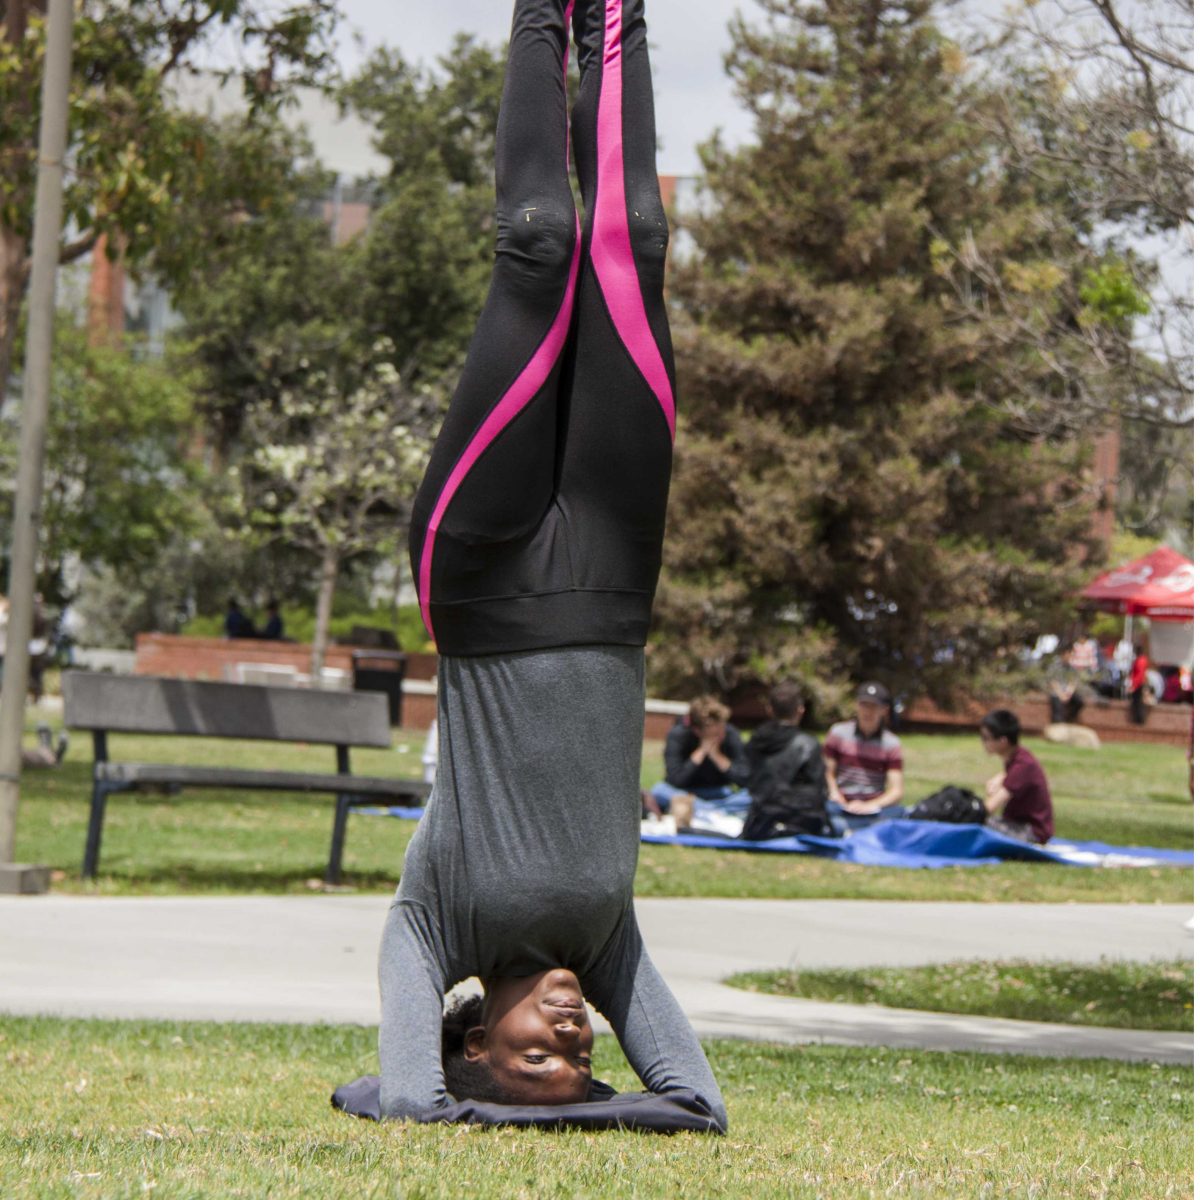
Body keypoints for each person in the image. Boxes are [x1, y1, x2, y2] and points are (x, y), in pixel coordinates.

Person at [343, 0, 726, 1136]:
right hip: (614, 584)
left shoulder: (431, 929)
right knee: (634, 244)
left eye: (535, 1058)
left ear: (473, 1041)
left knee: (539, 244)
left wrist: (461, 1107)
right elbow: (695, 1106)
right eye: (582, 1057)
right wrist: (566, 1111)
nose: (571, 1039)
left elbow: (409, 1100)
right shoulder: (606, 945)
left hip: (483, 580)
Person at [741, 681, 834, 841]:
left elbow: (744, 778)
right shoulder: (809, 744)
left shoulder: (756, 740)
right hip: (800, 822)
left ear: (770, 709)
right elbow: (820, 792)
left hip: (761, 822)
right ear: (800, 710)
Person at [649, 695, 751, 828]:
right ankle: (716, 812)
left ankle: (707, 811)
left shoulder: (730, 734)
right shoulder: (678, 736)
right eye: (714, 733)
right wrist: (701, 752)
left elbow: (744, 779)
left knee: (753, 795)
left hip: (721, 794)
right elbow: (675, 780)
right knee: (659, 790)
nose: (720, 735)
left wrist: (717, 756)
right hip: (687, 794)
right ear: (697, 731)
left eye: (722, 729)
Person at [823, 681, 905, 830]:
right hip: (840, 804)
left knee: (901, 814)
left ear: (884, 710)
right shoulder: (838, 733)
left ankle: (847, 830)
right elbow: (827, 773)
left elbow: (896, 790)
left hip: (873, 807)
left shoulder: (891, 744)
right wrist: (836, 795)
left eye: (873, 707)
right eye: (864, 705)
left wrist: (869, 805)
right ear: (856, 706)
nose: (868, 711)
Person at [979, 708, 1054, 844]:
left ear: (1003, 741)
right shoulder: (1018, 759)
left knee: (978, 824)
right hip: (1019, 825)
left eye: (986, 738)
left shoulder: (1022, 765)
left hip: (1033, 832)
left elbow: (990, 807)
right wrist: (1000, 777)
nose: (983, 743)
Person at [1128, 641, 1150, 725]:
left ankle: (1139, 720)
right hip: (1138, 683)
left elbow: (1139, 674)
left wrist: (1134, 685)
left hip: (1138, 684)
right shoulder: (1141, 659)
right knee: (1136, 702)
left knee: (1137, 702)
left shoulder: (1141, 660)